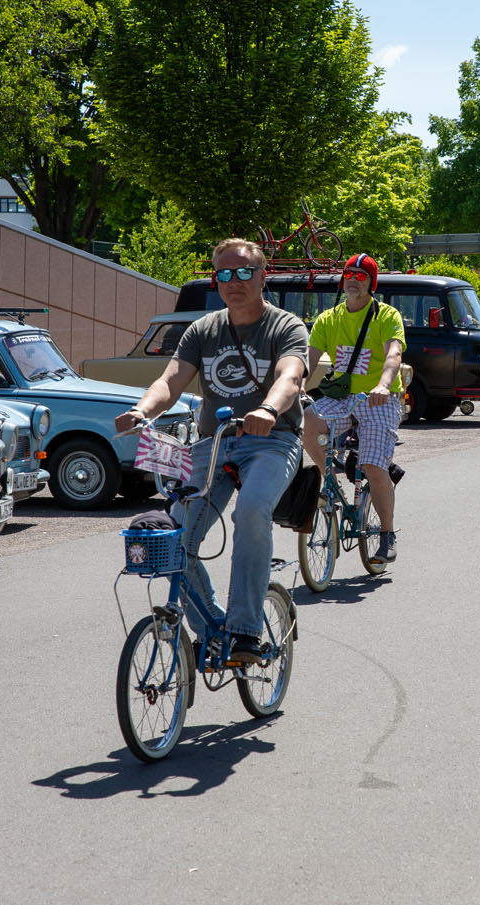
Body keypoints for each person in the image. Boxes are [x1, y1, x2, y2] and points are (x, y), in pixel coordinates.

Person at [117, 238, 307, 663]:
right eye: (224, 274)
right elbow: (169, 381)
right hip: (214, 443)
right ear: (215, 280)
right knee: (171, 539)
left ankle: (245, 631)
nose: (233, 281)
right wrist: (141, 411)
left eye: (243, 272)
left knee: (252, 510)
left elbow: (290, 377)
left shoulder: (286, 327)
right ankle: (214, 628)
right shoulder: (202, 330)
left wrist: (268, 409)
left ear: (262, 275)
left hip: (272, 440)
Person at [304, 254, 405, 564]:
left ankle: (387, 535)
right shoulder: (328, 319)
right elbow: (306, 361)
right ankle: (328, 483)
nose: (352, 280)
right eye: (348, 274)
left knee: (374, 467)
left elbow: (394, 356)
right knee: (308, 417)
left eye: (361, 276)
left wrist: (383, 385)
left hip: (380, 399)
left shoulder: (386, 316)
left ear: (371, 283)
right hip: (343, 396)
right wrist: (292, 388)